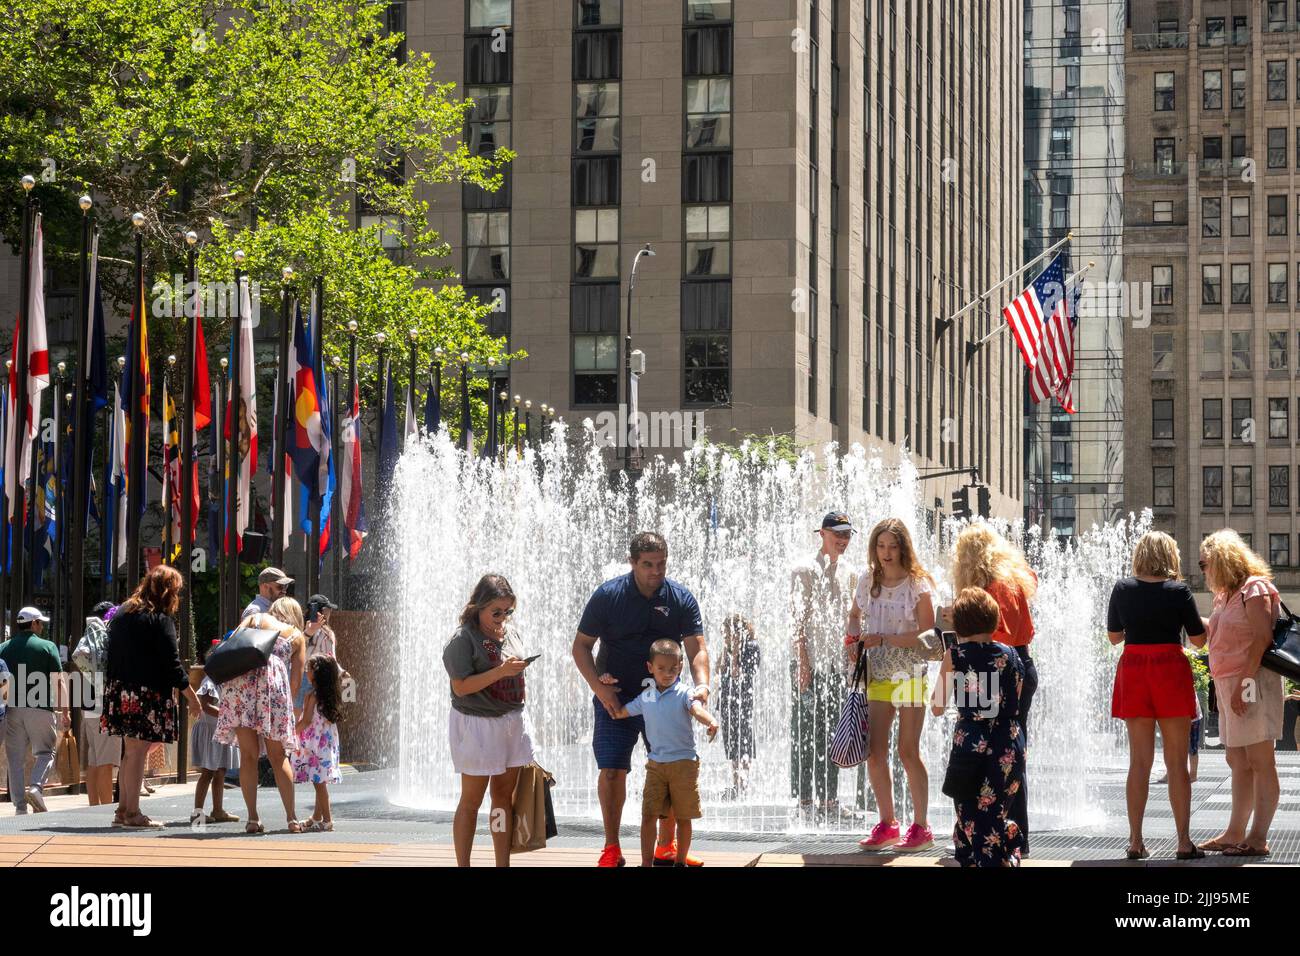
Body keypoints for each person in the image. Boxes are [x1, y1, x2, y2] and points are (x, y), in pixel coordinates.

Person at [573, 531, 709, 868]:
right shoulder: (608, 596)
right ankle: (611, 847)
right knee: (612, 771)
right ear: (633, 563)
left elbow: (697, 648)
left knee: (672, 768)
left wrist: (702, 686)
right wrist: (598, 688)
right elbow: (580, 647)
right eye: (647, 564)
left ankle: (666, 846)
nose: (655, 571)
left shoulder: (679, 598)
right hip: (616, 697)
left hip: (663, 699)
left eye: (661, 564)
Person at [1105, 531, 1206, 860]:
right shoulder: (1179, 591)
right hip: (1169, 670)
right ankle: (1183, 842)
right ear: (1170, 556)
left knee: (1139, 762)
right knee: (1177, 762)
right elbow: (1198, 640)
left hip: (1135, 669)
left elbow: (1114, 637)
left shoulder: (1122, 588)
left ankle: (1135, 841)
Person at [849, 518, 939, 851]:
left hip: (909, 673)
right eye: (880, 546)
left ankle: (922, 826)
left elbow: (929, 633)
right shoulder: (867, 580)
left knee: (907, 750)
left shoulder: (917, 584)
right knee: (874, 752)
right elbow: (853, 615)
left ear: (903, 547)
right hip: (877, 673)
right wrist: (851, 639)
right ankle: (887, 823)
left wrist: (887, 637)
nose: (886, 553)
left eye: (892, 546)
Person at [1196, 530, 1285, 858]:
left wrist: (1243, 687)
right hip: (1231, 683)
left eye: (1205, 563)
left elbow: (1261, 639)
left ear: (1222, 560)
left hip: (1252, 682)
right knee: (1237, 759)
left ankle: (1257, 836)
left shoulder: (1255, 588)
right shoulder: (1227, 594)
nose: (1203, 570)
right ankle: (1235, 831)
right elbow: (1223, 633)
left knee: (1261, 759)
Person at [930, 587, 1028, 867]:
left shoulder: (956, 655)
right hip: (1009, 744)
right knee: (992, 812)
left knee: (969, 814)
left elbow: (937, 706)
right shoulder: (1011, 654)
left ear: (959, 623)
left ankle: (993, 857)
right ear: (994, 620)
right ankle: (1007, 848)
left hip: (971, 745)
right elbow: (1016, 697)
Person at [443, 574, 535, 867]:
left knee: (502, 800)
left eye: (508, 611)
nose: (502, 618)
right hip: (476, 725)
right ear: (478, 607)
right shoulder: (463, 639)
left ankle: (502, 863)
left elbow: (510, 670)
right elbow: (460, 686)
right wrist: (500, 672)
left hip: (510, 722)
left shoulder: (511, 633)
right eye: (496, 612)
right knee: (471, 801)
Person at [102, 569, 202, 828]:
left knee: (130, 751)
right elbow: (172, 664)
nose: (177, 596)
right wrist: (191, 697)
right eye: (176, 590)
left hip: (120, 689)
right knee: (137, 752)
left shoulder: (123, 613)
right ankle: (133, 813)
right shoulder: (159, 619)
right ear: (168, 591)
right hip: (146, 693)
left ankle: (123, 810)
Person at [609, 640, 719, 867]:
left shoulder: (684, 693)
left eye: (673, 669)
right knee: (648, 815)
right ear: (650, 667)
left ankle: (680, 862)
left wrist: (711, 721)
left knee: (683, 816)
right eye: (661, 668)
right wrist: (605, 689)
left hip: (684, 764)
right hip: (656, 765)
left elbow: (697, 709)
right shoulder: (646, 696)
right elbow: (621, 712)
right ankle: (646, 863)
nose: (667, 674)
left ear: (680, 666)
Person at [214, 596, 309, 834]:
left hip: (240, 684)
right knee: (278, 757)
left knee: (248, 756)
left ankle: (253, 819)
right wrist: (288, 708)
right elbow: (296, 680)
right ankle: (292, 818)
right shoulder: (296, 635)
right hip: (272, 688)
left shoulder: (254, 617)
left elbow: (232, 644)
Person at [789, 511, 858, 822]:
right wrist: (803, 663)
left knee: (833, 732)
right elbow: (797, 620)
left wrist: (852, 659)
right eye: (837, 534)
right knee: (805, 730)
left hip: (835, 665)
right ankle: (804, 800)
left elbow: (851, 621)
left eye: (847, 535)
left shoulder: (850, 573)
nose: (842, 540)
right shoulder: (804, 570)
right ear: (822, 534)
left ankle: (829, 799)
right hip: (810, 662)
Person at [945, 524, 1039, 742]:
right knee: (1010, 745)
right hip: (1018, 664)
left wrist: (963, 622)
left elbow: (1001, 638)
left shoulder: (998, 586)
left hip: (1002, 670)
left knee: (995, 746)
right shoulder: (1009, 581)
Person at [2, 606, 71, 814]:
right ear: (33, 624)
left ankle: (20, 807)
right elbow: (59, 682)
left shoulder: (3, 647)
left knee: (15, 759)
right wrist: (66, 712)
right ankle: (36, 787)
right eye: (40, 623)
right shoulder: (47, 647)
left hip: (11, 710)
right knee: (45, 751)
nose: (41, 627)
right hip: (40, 708)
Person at [75, 601, 123, 806]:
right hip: (106, 706)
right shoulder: (108, 638)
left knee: (94, 761)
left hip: (89, 705)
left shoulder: (87, 638)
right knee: (106, 763)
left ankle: (93, 807)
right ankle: (105, 809)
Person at [293, 655, 344, 831]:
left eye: (309, 668)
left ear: (316, 674)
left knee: (319, 782)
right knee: (319, 779)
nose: (306, 671)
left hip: (316, 744)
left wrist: (291, 733)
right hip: (325, 743)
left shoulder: (313, 696)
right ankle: (317, 816)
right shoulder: (328, 695)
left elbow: (306, 721)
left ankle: (327, 820)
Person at [717, 613, 760, 801]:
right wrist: (726, 650)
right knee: (732, 744)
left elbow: (737, 674)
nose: (725, 638)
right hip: (727, 701)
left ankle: (744, 783)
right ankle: (736, 784)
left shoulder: (752, 647)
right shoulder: (728, 647)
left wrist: (735, 654)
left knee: (744, 742)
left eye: (727, 634)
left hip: (743, 701)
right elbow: (719, 670)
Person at [189, 672, 240, 825]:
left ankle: (218, 810)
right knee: (208, 771)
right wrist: (227, 716)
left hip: (221, 730)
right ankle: (197, 813)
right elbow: (205, 706)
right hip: (210, 731)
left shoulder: (227, 681)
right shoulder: (210, 681)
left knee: (221, 770)